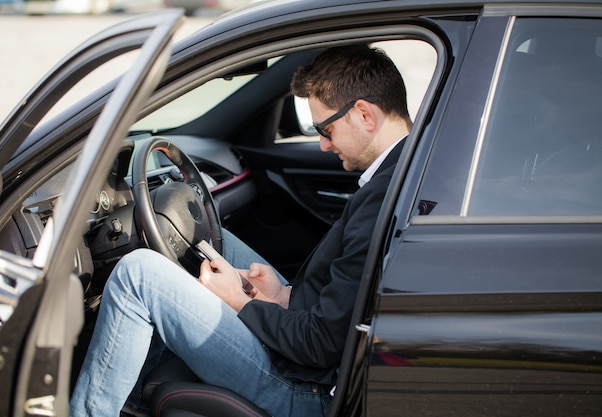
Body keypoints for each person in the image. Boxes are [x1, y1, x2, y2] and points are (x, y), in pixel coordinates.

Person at [70, 43, 412, 417]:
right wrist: (283, 295)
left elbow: (320, 343)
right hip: (321, 354)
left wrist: (242, 303)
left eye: (325, 129)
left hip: (310, 390)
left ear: (364, 114)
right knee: (213, 243)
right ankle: (133, 399)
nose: (323, 144)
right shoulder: (404, 170)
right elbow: (348, 302)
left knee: (138, 275)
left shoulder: (382, 197)